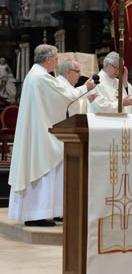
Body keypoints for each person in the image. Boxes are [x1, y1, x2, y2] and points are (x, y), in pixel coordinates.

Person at [8, 44, 96, 226]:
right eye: (56, 59)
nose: (56, 62)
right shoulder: (41, 78)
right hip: (40, 132)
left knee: (42, 167)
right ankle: (36, 214)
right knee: (42, 168)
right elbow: (64, 96)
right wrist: (85, 88)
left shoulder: (34, 76)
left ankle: (43, 212)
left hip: (38, 129)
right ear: (48, 59)